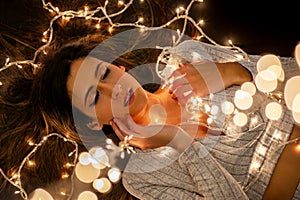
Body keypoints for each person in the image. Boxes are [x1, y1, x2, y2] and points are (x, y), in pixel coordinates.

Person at [1, 1, 300, 200]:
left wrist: (233, 71)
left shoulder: (186, 60)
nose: (113, 89)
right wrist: (181, 143)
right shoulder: (142, 177)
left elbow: (294, 70)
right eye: (94, 97)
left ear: (119, 66)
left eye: (104, 73)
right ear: (91, 123)